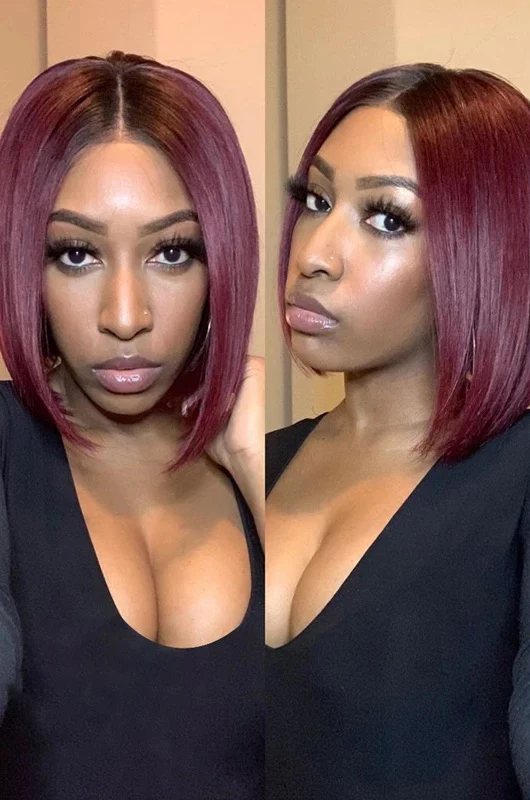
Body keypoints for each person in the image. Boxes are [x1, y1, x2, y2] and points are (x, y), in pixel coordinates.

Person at [0, 52, 264, 798]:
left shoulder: (265, 459)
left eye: (172, 252)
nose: (125, 316)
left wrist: (258, 476)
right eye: (77, 253)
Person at [265, 64, 530, 798]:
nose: (313, 254)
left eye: (386, 218)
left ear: (484, 247)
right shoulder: (248, 467)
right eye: (316, 200)